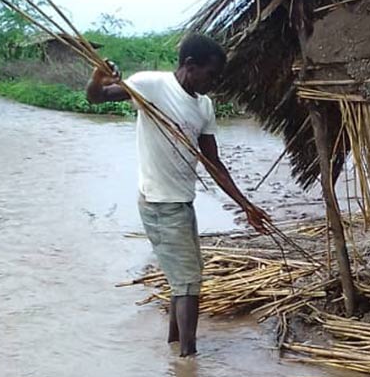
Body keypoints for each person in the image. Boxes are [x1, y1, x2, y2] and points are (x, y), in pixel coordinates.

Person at [86, 32, 269, 356]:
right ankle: (187, 362)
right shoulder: (150, 85)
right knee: (188, 282)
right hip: (159, 203)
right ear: (189, 65)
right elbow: (96, 98)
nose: (214, 83)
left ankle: (175, 346)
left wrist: (247, 206)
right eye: (211, 74)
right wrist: (97, 77)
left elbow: (213, 163)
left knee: (184, 279)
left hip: (182, 203)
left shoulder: (205, 106)